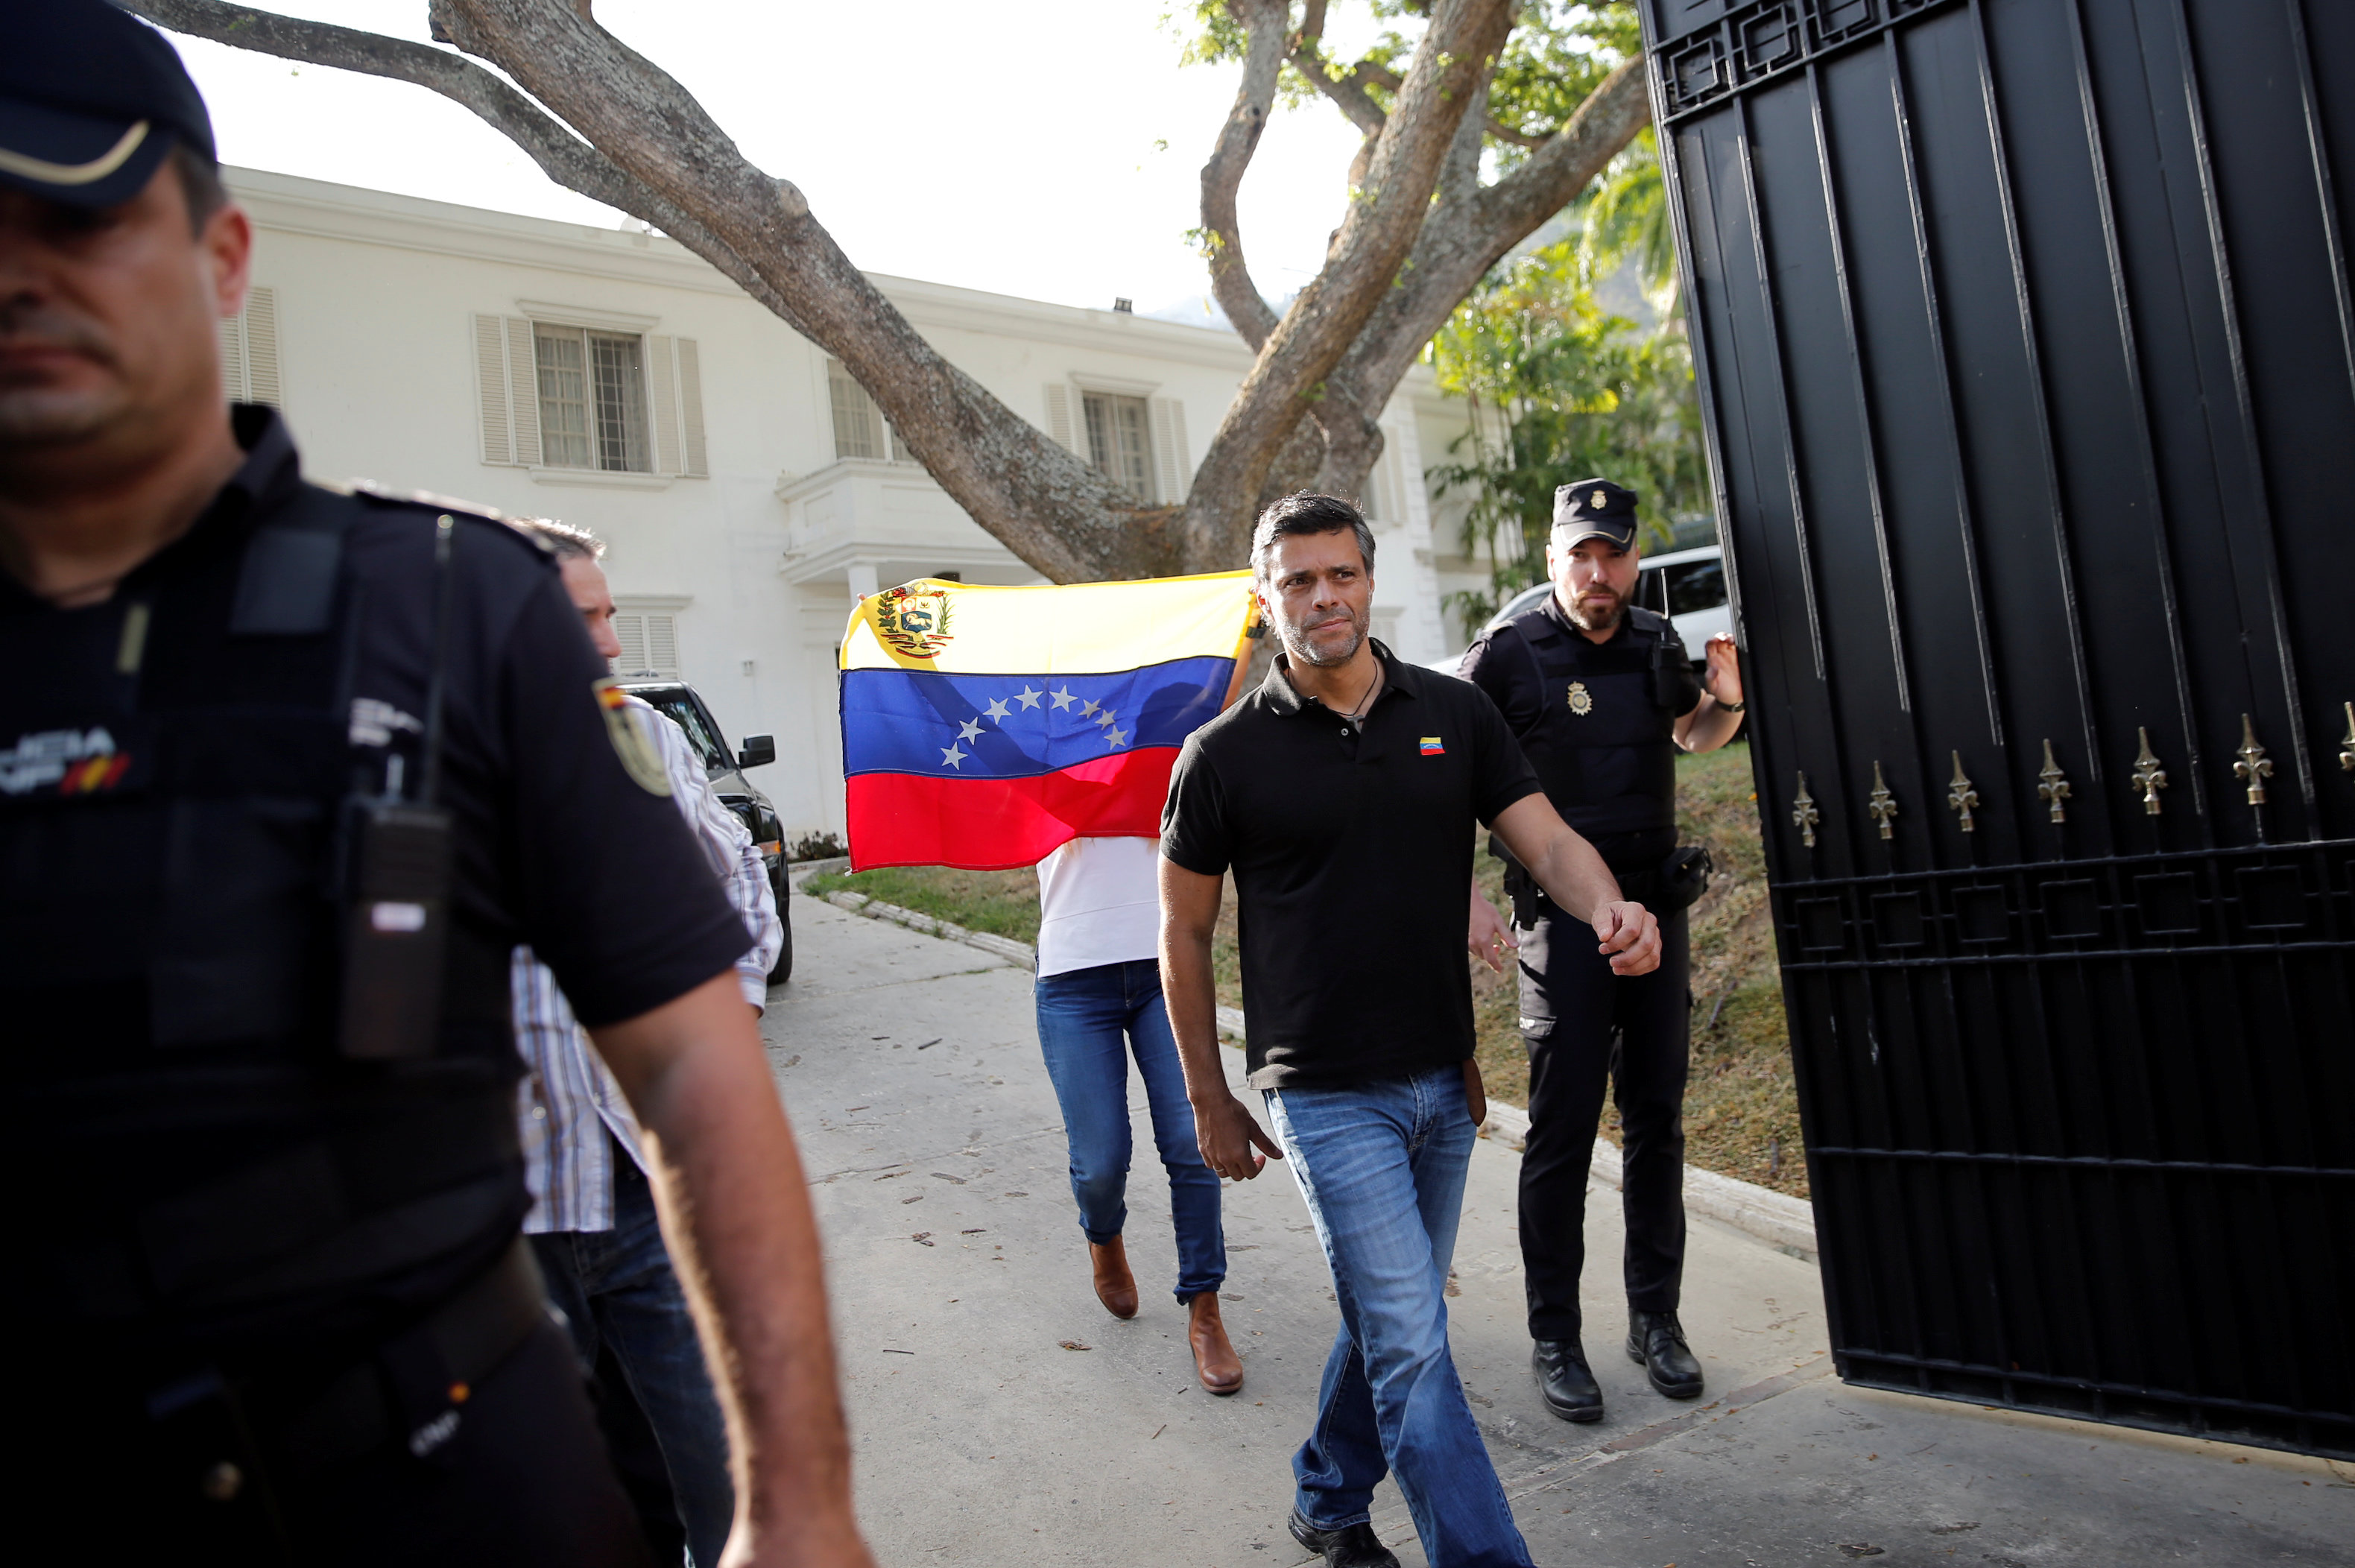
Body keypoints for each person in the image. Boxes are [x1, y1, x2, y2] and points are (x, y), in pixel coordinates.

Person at [0, 7, 871, 1563]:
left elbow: (690, 1061)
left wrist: (798, 1506)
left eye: (77, 211)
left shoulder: (452, 609)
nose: (22, 272)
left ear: (221, 255)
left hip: (447, 1485)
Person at [1158, 493, 1660, 1568]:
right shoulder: (1220, 756)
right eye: (1298, 579)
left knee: (1396, 1325)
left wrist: (1608, 905)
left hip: (1442, 1080)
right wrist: (1208, 1095)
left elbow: (1549, 843)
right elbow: (1184, 934)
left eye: (1339, 574)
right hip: (1324, 1090)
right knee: (1415, 1352)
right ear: (1265, 597)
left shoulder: (1453, 712)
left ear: (1368, 582)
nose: (1322, 596)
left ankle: (1331, 1498)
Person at [509, 519, 782, 1568]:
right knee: (565, 1500)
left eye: (613, 613)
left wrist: (732, 1026)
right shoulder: (420, 754)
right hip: (507, 1219)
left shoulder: (643, 736)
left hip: (643, 1184)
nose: (612, 644)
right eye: (585, 620)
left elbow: (739, 885)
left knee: (722, 1472)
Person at [1456, 478, 1745, 1426]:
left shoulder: (1658, 642)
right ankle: (1555, 1336)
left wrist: (1726, 706)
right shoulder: (1507, 657)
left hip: (1656, 919)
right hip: (1561, 922)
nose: (1597, 572)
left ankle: (1654, 1321)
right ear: (1552, 560)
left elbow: (1690, 734)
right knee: (1565, 1130)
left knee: (1657, 1120)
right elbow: (1440, 768)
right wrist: (1461, 891)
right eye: (1579, 554)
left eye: (1612, 553)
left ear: (1630, 557)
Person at [1033, 835, 1242, 1393]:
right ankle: (1104, 1238)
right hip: (1072, 975)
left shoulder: (1169, 746)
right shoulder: (1042, 746)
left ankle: (1205, 1310)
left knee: (1190, 1142)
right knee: (1100, 1161)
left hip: (1164, 963)